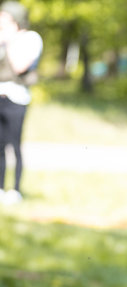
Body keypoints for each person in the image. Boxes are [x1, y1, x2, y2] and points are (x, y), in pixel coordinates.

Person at [0, 1, 42, 204]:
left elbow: (19, 66)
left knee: (14, 146)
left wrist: (9, 41)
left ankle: (15, 189)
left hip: (17, 99)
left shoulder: (30, 38)